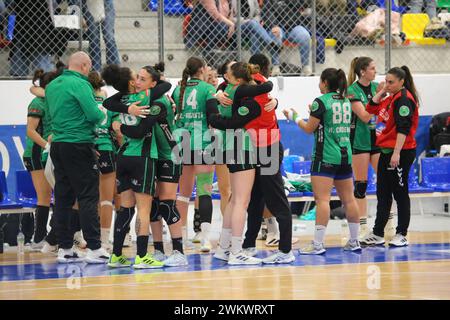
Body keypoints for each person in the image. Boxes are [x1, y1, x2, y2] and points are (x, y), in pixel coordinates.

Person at [284, 68, 361, 254]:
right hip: (345, 156)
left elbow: (309, 128)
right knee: (349, 199)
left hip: (325, 157)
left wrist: (295, 117)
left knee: (322, 200)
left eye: (320, 81)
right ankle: (354, 241)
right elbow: (330, 124)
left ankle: (318, 245)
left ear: (325, 82)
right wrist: (315, 114)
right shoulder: (345, 101)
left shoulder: (321, 101)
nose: (319, 84)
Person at [102, 64, 169, 268]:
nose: (138, 80)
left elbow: (107, 102)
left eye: (142, 78)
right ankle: (141, 256)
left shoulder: (120, 98)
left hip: (123, 157)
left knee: (125, 208)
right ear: (131, 82)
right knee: (144, 209)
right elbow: (165, 86)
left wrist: (125, 110)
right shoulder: (147, 96)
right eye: (136, 77)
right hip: (143, 157)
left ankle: (116, 255)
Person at [46, 51, 109, 263]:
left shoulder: (53, 85)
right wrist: (102, 113)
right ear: (83, 65)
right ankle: (94, 248)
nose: (89, 71)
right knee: (88, 196)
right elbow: (93, 115)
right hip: (79, 144)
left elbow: (49, 116)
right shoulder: (81, 84)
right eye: (89, 67)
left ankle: (64, 248)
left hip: (58, 145)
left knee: (63, 198)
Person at [209, 62, 274, 265]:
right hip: (242, 146)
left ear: (237, 79)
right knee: (241, 202)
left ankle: (223, 248)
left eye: (227, 74)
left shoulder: (227, 91)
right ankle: (236, 251)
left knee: (234, 200)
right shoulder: (247, 98)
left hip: (230, 146)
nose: (224, 77)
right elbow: (265, 88)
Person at [361, 66, 419, 247]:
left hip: (400, 152)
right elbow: (369, 108)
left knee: (400, 193)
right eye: (386, 81)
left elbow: (404, 128)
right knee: (383, 193)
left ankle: (401, 233)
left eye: (391, 82)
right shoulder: (390, 97)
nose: (387, 84)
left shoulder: (403, 100)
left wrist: (396, 153)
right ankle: (378, 233)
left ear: (402, 82)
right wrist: (383, 91)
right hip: (385, 150)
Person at [172, 56, 219, 252]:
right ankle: (206, 239)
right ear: (201, 69)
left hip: (182, 142)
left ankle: (180, 238)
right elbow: (212, 117)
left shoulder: (178, 89)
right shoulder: (208, 89)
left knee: (182, 194)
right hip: (202, 142)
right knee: (203, 191)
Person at [346, 56, 396, 240]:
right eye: (373, 68)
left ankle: (388, 224)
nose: (376, 71)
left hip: (379, 141)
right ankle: (362, 227)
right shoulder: (352, 90)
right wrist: (380, 96)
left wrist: (384, 93)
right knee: (361, 185)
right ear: (362, 72)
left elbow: (387, 111)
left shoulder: (378, 87)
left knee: (386, 183)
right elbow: (365, 116)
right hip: (360, 141)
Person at [185, 0, 281, 68]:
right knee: (252, 24)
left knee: (253, 28)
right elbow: (215, 15)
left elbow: (231, 17)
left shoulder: (228, 1)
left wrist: (232, 24)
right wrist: (231, 23)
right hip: (211, 29)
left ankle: (259, 63)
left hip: (227, 29)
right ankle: (271, 44)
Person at [23, 69, 57, 251]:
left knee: (59, 194)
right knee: (44, 196)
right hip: (37, 152)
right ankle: (39, 239)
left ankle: (53, 235)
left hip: (49, 151)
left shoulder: (53, 99)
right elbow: (30, 130)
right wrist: (47, 146)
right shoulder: (38, 102)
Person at [88, 70, 120, 251]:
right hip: (106, 148)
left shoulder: (85, 100)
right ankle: (105, 240)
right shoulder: (109, 103)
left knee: (87, 198)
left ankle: (84, 238)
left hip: (88, 148)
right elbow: (117, 129)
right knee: (107, 199)